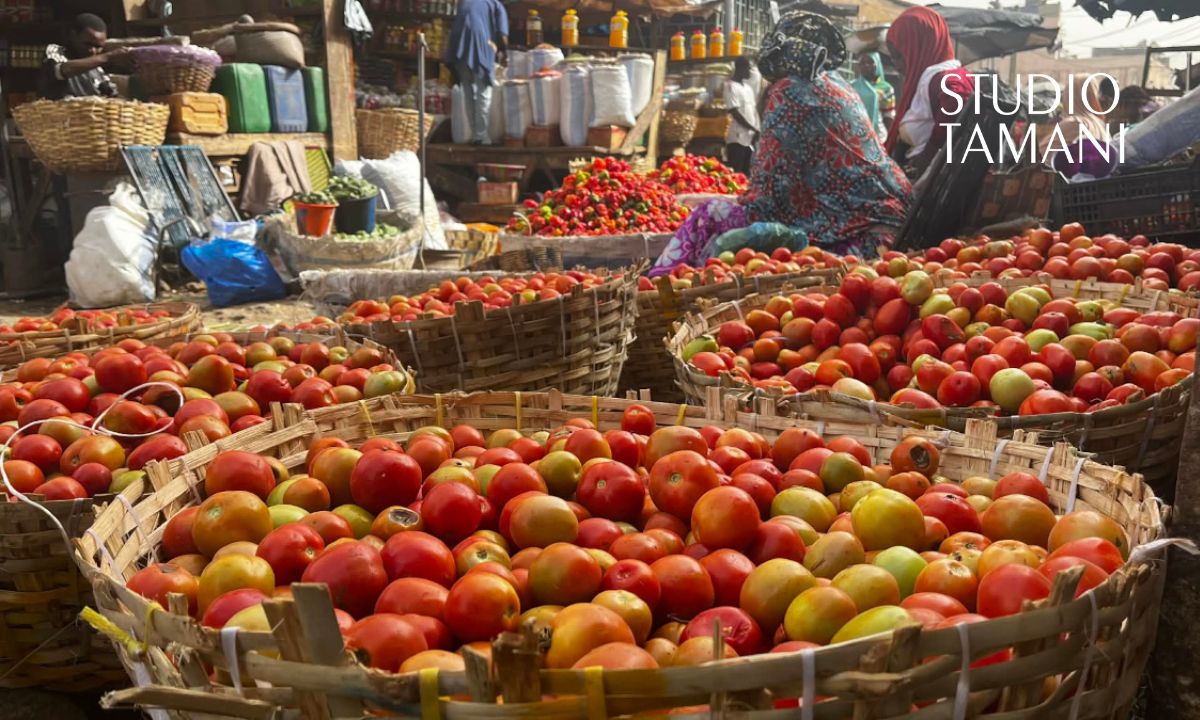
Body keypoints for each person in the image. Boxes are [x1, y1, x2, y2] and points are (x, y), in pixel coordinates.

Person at [649, 12, 910, 276]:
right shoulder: (843, 86)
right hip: (891, 228)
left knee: (707, 215)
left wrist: (730, 204)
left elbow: (768, 193)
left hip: (855, 246)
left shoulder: (789, 91)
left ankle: (658, 290)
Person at [885, 6, 975, 174]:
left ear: (921, 46)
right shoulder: (928, 78)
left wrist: (929, 154)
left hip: (928, 179)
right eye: (893, 58)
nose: (897, 66)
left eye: (900, 56)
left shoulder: (946, 80)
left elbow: (959, 103)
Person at [445, 0, 508, 145]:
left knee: (467, 89)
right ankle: (482, 136)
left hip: (458, 42)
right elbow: (503, 36)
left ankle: (476, 135)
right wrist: (505, 54)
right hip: (478, 38)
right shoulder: (497, 5)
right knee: (484, 88)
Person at [39, 13, 127, 100]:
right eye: (88, 44)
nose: (93, 51)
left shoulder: (97, 70)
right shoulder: (56, 51)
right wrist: (107, 57)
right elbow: (59, 71)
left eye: (98, 47)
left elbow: (112, 96)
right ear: (73, 35)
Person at [723, 57, 759, 174]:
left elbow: (753, 111)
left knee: (747, 174)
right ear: (740, 68)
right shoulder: (730, 86)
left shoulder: (748, 88)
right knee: (736, 172)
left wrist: (756, 129)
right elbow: (735, 112)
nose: (750, 72)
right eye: (748, 69)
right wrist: (752, 128)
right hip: (736, 138)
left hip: (749, 138)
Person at [851, 52, 894, 143]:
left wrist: (885, 139)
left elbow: (889, 116)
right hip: (855, 136)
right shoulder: (851, 86)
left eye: (870, 62)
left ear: (877, 63)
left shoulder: (886, 88)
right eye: (862, 63)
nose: (866, 65)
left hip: (878, 137)